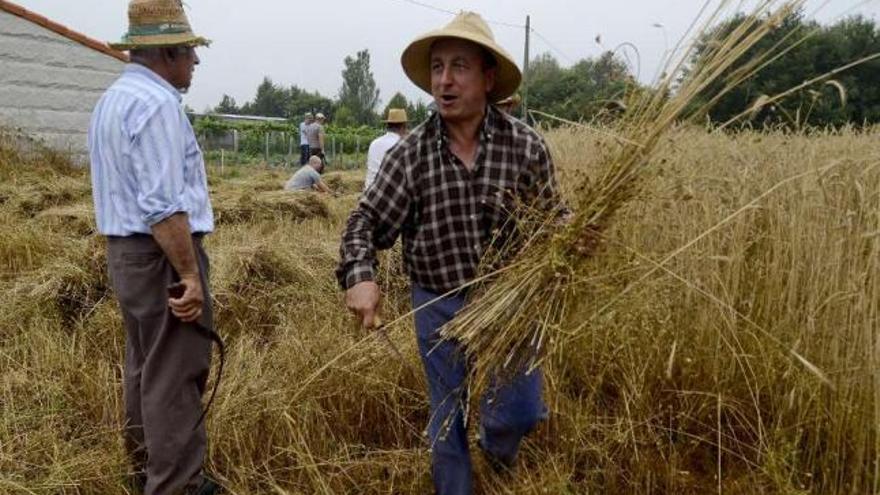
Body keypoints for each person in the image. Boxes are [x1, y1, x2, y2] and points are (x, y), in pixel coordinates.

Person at [336, 12, 563, 495]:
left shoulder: (525, 147)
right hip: (438, 301)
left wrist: (572, 236)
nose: (444, 80)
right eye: (437, 67)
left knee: (518, 412)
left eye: (459, 66)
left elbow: (554, 217)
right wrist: (360, 275)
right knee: (447, 422)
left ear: (488, 77)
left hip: (510, 301)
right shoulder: (411, 156)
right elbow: (365, 222)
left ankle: (498, 449)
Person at [89, 1, 220, 494]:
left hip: (126, 255)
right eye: (189, 51)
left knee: (145, 367)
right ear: (167, 51)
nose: (195, 62)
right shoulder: (158, 104)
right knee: (174, 375)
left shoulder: (113, 99)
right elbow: (164, 206)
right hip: (159, 255)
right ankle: (176, 485)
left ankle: (147, 473)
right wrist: (188, 275)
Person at [364, 108, 408, 190]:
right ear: (403, 127)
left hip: (369, 194)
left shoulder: (374, 143)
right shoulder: (402, 145)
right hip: (387, 196)